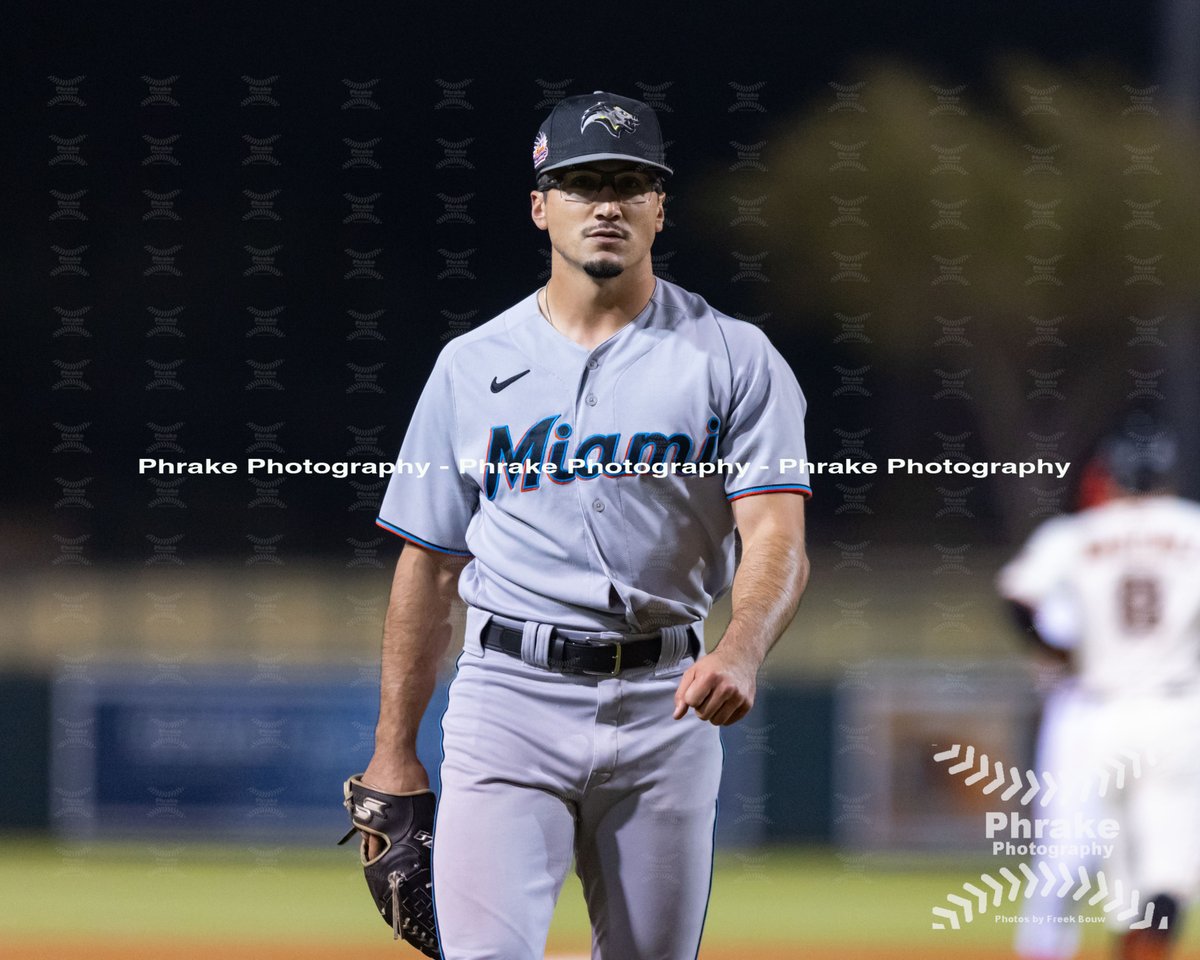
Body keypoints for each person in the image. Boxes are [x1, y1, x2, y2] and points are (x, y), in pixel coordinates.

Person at [356, 91, 812, 960]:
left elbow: (777, 537)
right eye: (580, 183)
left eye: (630, 182)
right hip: (507, 697)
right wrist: (392, 751)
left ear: (659, 206)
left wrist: (743, 646)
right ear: (540, 206)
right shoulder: (470, 365)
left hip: (666, 704)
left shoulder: (734, 355)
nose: (606, 203)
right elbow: (429, 565)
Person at [998, 413, 1200, 960]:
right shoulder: (1192, 527)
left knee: (1124, 876)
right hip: (1176, 709)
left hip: (1102, 715)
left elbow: (1016, 598)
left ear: (1110, 475)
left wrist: (1057, 653)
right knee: (1168, 872)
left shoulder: (1078, 534)